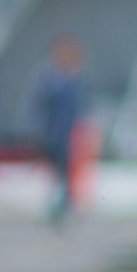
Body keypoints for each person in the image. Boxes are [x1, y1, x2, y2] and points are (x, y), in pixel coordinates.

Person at [26, 35, 90, 222]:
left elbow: (81, 108)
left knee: (67, 170)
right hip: (51, 134)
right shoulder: (47, 78)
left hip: (70, 134)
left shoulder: (75, 79)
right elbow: (37, 106)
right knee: (53, 170)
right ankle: (54, 204)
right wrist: (35, 131)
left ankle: (66, 204)